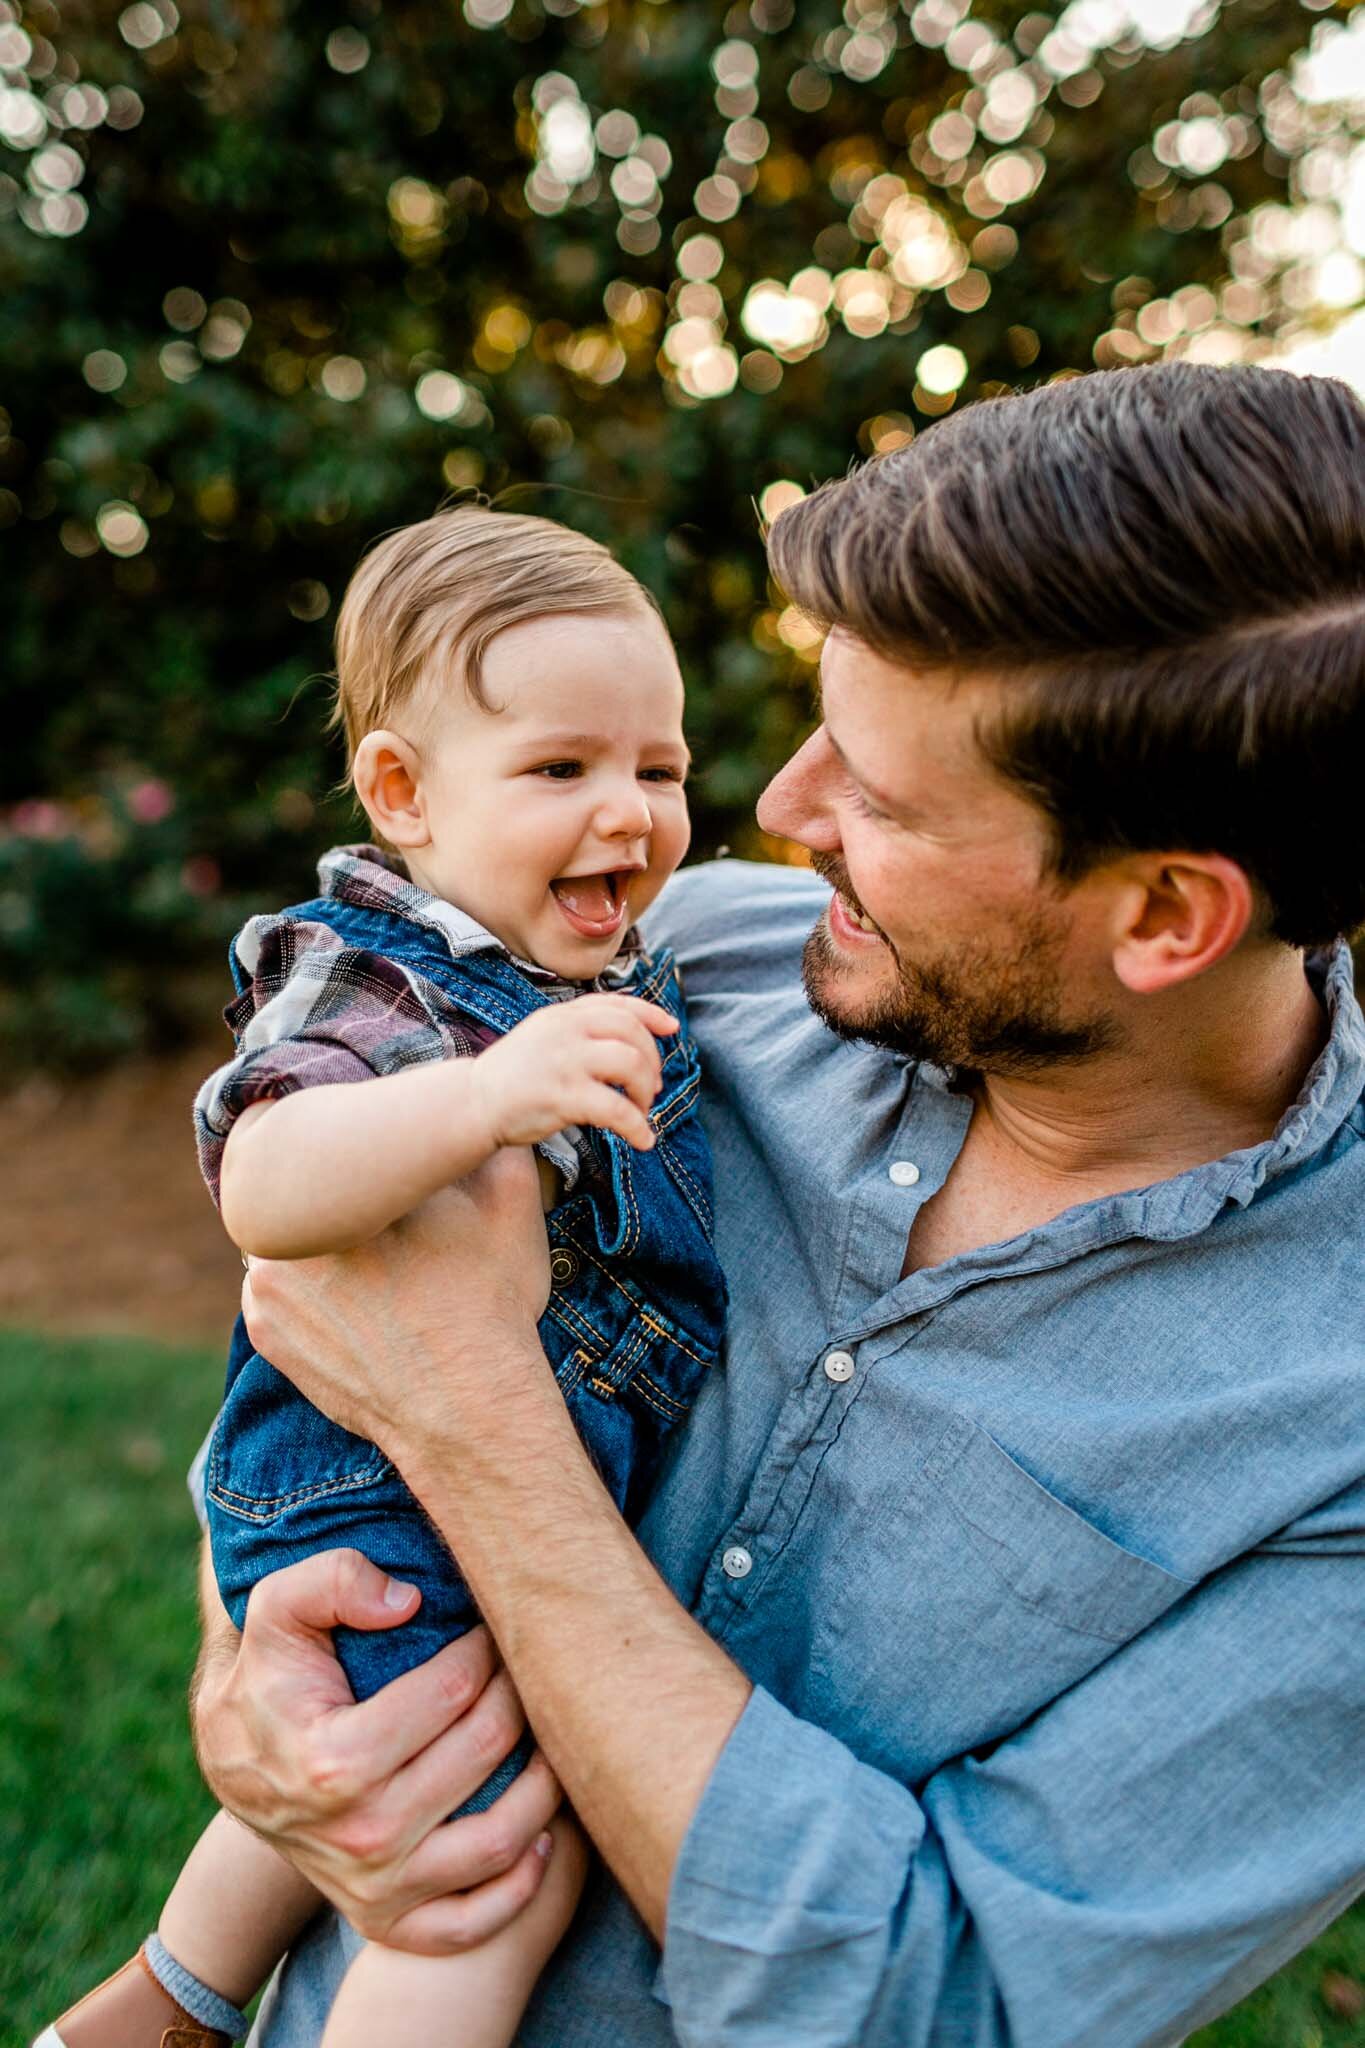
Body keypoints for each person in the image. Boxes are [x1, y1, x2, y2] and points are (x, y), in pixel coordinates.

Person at [196, 362, 1365, 2048]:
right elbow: (317, 1334)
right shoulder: (701, 971)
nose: (774, 811)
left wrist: (480, 1432)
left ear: (1167, 915)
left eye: (876, 803)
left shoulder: (1331, 1422)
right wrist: (253, 1681)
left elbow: (932, 2010)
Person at [37, 508, 725, 2048]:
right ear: (404, 792)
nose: (626, 812)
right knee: (488, 1870)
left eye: (658, 769)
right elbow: (265, 1187)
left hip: (475, 1475)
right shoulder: (382, 972)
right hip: (365, 1483)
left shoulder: (610, 968)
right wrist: (481, 1099)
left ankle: (156, 2011)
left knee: (367, 1755)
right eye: (561, 770)